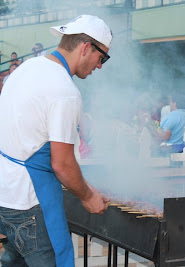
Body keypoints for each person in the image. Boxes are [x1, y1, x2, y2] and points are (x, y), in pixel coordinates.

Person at [0, 14, 112, 266]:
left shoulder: (27, 68)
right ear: (85, 48)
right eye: (102, 57)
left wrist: (87, 187)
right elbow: (61, 163)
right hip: (31, 204)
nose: (100, 65)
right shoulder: (64, 91)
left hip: (5, 197)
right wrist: (88, 197)